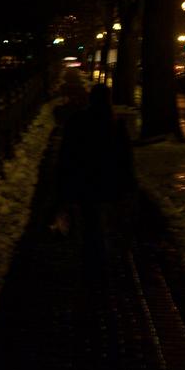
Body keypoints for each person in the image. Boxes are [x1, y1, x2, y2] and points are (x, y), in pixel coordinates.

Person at [55, 83, 137, 276]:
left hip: (85, 180)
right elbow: (125, 157)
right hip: (109, 180)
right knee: (107, 220)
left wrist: (64, 182)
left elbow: (67, 153)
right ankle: (104, 259)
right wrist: (129, 183)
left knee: (90, 220)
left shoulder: (77, 121)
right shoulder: (115, 124)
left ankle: (92, 259)